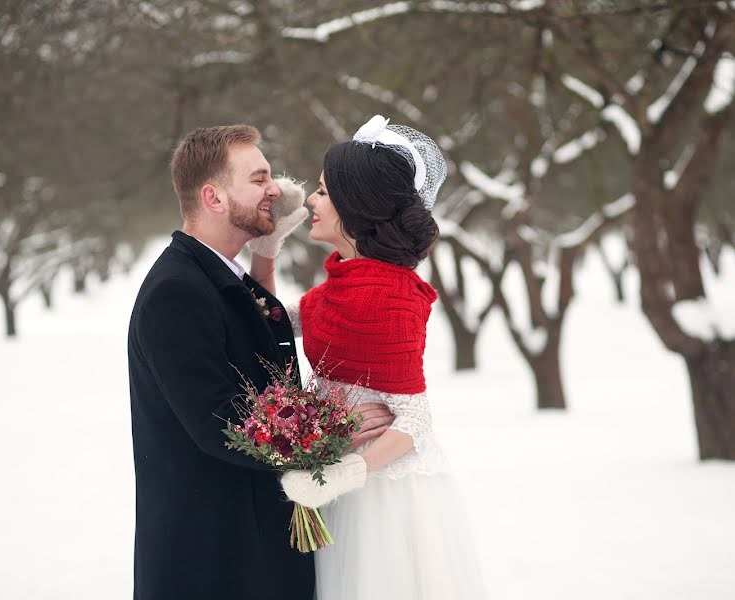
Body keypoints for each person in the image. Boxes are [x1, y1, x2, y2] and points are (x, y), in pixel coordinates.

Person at [127, 124, 392, 600]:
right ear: (213, 197)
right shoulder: (177, 292)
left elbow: (258, 341)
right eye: (258, 178)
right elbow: (221, 420)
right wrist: (333, 431)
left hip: (250, 543)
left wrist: (265, 256)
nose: (277, 189)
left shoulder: (215, 276)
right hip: (214, 559)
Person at [259, 116, 488, 599]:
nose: (312, 202)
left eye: (322, 191)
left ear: (355, 204)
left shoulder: (388, 295)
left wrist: (341, 475)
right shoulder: (344, 283)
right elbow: (271, 320)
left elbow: (414, 417)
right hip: (336, 483)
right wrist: (266, 251)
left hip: (384, 496)